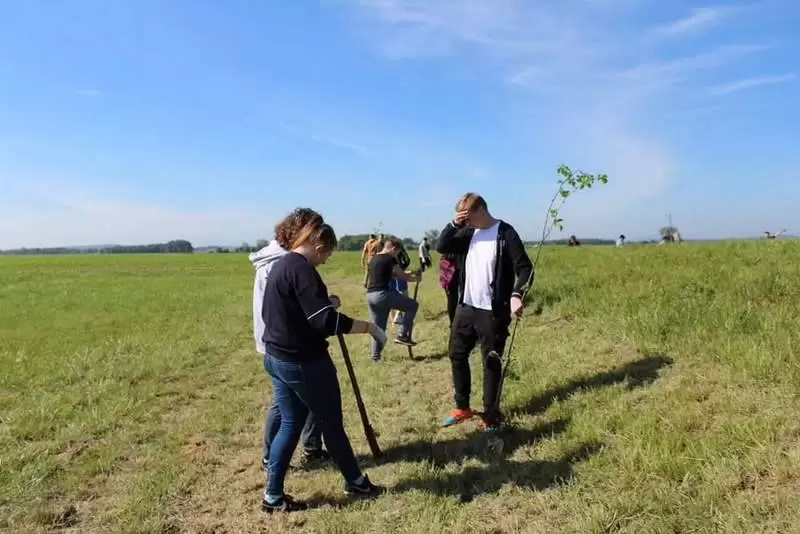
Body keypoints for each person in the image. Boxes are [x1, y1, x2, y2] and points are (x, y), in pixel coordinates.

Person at [261, 215, 387, 513]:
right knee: (331, 423)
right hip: (303, 362)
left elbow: (298, 311)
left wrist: (324, 303)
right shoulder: (303, 269)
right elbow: (325, 322)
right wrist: (369, 327)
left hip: (277, 357)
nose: (326, 260)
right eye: (327, 254)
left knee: (290, 423)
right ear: (318, 246)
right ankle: (356, 482)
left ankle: (273, 496)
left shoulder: (282, 265)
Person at [435, 192, 532, 432]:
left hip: (492, 312)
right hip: (466, 307)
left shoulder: (505, 233)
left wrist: (516, 295)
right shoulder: (468, 233)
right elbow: (442, 246)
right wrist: (454, 224)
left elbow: (525, 268)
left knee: (491, 363)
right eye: (462, 219)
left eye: (467, 217)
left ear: (480, 210)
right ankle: (462, 407)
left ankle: (491, 416)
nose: (465, 222)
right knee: (456, 355)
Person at [250, 209, 332, 473]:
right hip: (283, 342)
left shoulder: (286, 259)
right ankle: (271, 459)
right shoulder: (281, 262)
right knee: (287, 404)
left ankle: (310, 448)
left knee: (300, 400)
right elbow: (286, 306)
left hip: (284, 338)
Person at [365, 236, 422, 361]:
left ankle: (375, 357)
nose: (397, 255)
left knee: (378, 329)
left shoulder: (374, 258)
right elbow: (402, 276)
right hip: (383, 295)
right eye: (397, 252)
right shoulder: (390, 258)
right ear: (393, 248)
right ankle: (402, 334)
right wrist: (415, 279)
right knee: (413, 305)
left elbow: (392, 275)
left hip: (370, 296)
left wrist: (411, 272)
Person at [390, 241, 412, 326]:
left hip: (389, 274)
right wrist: (403, 268)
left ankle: (393, 319)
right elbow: (407, 260)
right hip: (399, 272)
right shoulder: (400, 250)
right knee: (403, 293)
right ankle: (398, 315)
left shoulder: (385, 252)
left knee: (392, 294)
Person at [438, 252, 461, 328]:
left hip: (449, 279)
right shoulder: (452, 256)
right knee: (452, 300)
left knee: (451, 300)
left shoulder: (443, 257)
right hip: (452, 277)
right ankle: (453, 322)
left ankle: (453, 321)